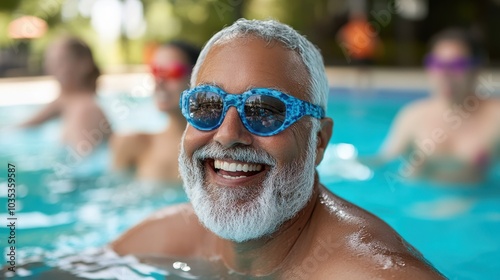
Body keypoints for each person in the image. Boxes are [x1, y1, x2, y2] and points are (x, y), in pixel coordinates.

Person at [110, 19, 444, 279]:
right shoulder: (162, 242)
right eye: (207, 105)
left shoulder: (376, 271)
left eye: (265, 110)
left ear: (319, 141)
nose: (227, 135)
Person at [379, 28, 500, 183]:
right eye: (437, 64)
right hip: (419, 200)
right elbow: (384, 163)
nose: (445, 73)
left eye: (456, 65)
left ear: (476, 68)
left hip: (477, 201)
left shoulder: (496, 118)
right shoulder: (413, 115)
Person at [111, 41, 200, 181]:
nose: (159, 81)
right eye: (155, 71)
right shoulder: (131, 144)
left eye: (172, 72)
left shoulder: (215, 149)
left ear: (198, 79)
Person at [19, 37, 111, 152]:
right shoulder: (65, 101)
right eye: (50, 61)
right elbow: (22, 127)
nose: (52, 68)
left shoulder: (85, 110)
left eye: (61, 61)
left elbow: (82, 163)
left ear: (84, 64)